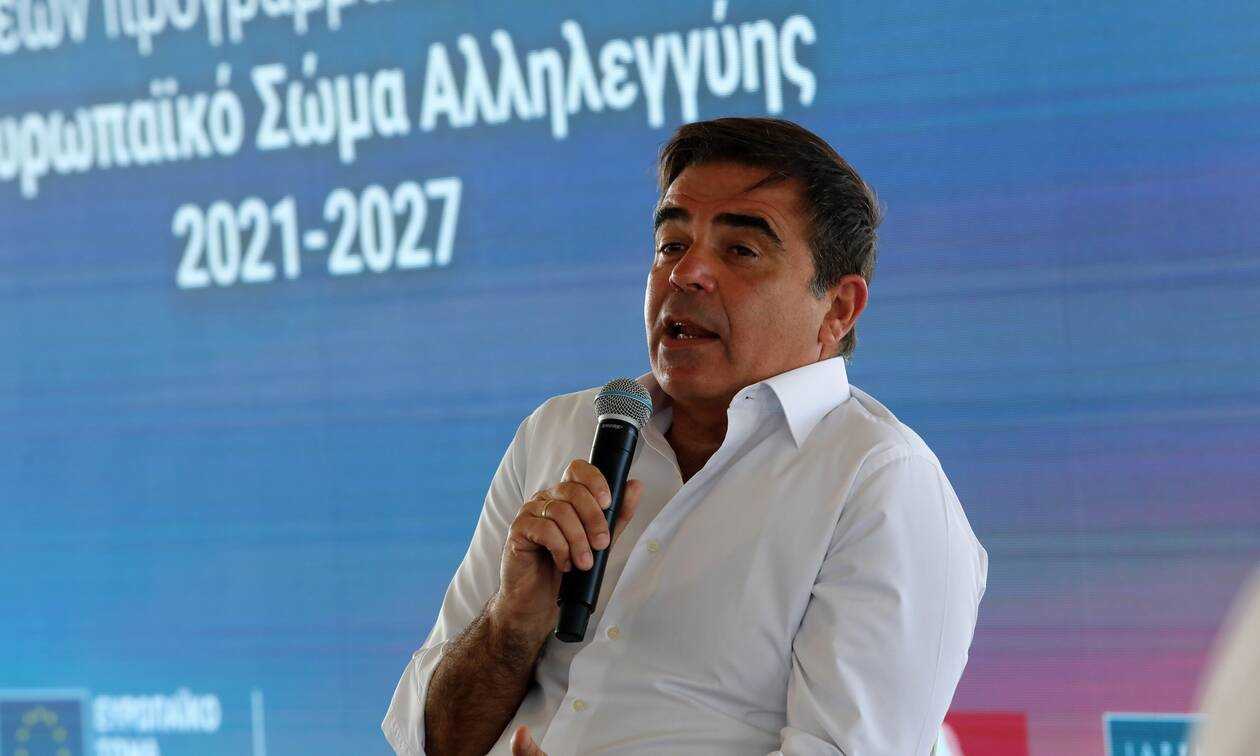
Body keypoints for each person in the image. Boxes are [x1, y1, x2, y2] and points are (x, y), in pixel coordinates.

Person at [382, 117, 988, 755]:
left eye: (740, 251)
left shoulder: (880, 480)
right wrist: (512, 623)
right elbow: (434, 742)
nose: (687, 273)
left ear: (838, 308)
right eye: (671, 244)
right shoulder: (562, 430)